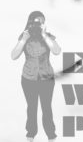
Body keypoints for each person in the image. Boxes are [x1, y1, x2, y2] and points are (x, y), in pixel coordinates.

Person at [11, 10, 60, 141]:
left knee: (47, 108)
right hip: (28, 78)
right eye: (37, 22)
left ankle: (51, 136)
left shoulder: (48, 37)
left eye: (42, 22)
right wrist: (23, 40)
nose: (39, 24)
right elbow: (13, 56)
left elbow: (56, 51)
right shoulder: (24, 37)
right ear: (30, 22)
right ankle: (30, 135)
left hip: (47, 78)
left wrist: (45, 35)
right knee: (31, 108)